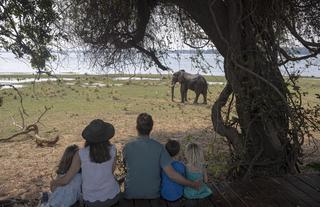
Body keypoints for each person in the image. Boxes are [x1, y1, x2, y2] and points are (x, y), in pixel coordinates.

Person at [123, 113, 201, 199]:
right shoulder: (159, 148)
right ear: (151, 128)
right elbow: (172, 175)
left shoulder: (127, 147)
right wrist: (193, 184)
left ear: (136, 128)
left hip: (130, 193)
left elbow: (129, 169)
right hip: (152, 194)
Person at [50, 119, 120, 207]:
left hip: (91, 201)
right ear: (106, 136)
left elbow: (66, 179)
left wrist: (53, 182)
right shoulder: (113, 149)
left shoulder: (81, 154)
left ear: (89, 138)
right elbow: (112, 170)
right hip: (113, 196)